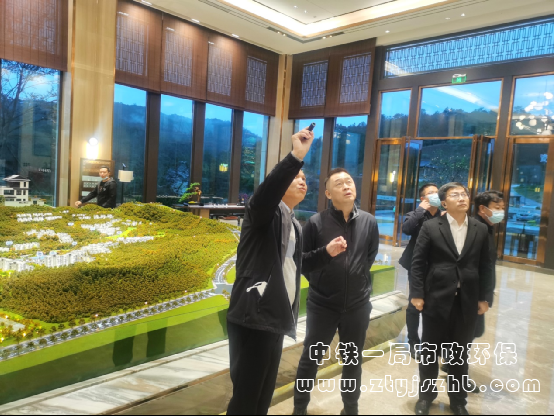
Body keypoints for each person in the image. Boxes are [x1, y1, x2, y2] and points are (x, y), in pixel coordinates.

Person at [226, 128, 346, 415]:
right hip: (254, 315)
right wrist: (296, 156)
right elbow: (267, 192)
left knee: (262, 397)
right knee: (246, 398)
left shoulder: (292, 223)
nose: (302, 181)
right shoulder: (263, 212)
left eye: (305, 178)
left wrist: (326, 253)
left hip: (276, 316)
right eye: (296, 177)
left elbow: (295, 264)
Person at [293, 168, 380, 416]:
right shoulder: (316, 223)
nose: (346, 186)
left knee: (352, 360)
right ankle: (299, 408)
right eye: (339, 183)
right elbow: (303, 262)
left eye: (349, 181)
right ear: (328, 193)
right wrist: (323, 276)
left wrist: (356, 280)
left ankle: (350, 409)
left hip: (357, 305)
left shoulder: (369, 221)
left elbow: (369, 257)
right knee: (311, 359)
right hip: (323, 305)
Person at [411, 183, 493, 416]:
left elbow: (486, 265)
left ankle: (458, 402)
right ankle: (426, 398)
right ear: (444, 202)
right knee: (429, 354)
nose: (462, 198)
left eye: (464, 194)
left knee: (459, 355)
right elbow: (418, 262)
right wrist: (417, 293)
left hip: (467, 301)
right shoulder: (431, 227)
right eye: (455, 195)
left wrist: (485, 297)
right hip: (435, 299)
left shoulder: (480, 228)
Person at [398, 183, 442, 356]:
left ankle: (431, 341)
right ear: (423, 198)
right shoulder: (416, 215)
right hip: (417, 265)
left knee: (434, 304)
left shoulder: (444, 215)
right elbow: (406, 229)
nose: (436, 195)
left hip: (437, 266)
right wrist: (420, 210)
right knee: (415, 302)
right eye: (431, 193)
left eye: (437, 192)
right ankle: (413, 341)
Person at [473, 191, 504, 336]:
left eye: (502, 208)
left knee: (475, 332)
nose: (501, 212)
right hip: (473, 295)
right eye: (497, 208)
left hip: (480, 293)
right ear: (482, 208)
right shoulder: (477, 229)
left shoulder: (488, 228)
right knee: (470, 333)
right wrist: (482, 297)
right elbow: (476, 267)